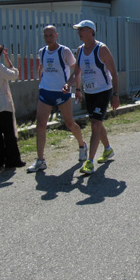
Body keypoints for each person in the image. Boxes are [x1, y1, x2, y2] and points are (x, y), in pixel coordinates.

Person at [28, 25, 88, 173]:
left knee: (69, 123)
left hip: (62, 93)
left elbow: (77, 70)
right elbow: (41, 69)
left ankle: (82, 145)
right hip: (45, 92)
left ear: (56, 35)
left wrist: (75, 88)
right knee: (40, 125)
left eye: (51, 35)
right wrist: (40, 82)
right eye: (45, 36)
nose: (48, 38)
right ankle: (40, 160)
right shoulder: (42, 52)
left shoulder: (64, 51)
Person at [64, 20, 120, 175]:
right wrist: (70, 85)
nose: (79, 33)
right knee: (97, 121)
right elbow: (77, 73)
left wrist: (115, 95)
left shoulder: (101, 49)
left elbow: (114, 73)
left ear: (90, 31)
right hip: (89, 92)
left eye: (81, 29)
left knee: (95, 123)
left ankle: (89, 161)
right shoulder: (80, 50)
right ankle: (108, 149)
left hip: (103, 91)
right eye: (78, 30)